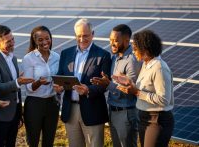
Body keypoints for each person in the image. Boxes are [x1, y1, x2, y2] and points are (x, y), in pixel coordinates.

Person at [54, 18, 111, 147]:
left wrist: (88, 90)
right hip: (71, 110)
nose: (82, 39)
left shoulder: (103, 55)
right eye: (78, 36)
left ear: (93, 34)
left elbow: (104, 85)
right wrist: (59, 87)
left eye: (85, 35)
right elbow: (60, 76)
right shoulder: (66, 53)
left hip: (93, 110)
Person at [114, 30, 174, 147]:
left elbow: (163, 99)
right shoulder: (146, 64)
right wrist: (129, 82)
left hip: (157, 119)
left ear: (145, 49)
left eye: (135, 48)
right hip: (144, 117)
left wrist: (136, 92)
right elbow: (146, 89)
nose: (133, 51)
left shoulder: (159, 68)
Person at [91, 24, 141, 147]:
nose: (112, 43)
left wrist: (108, 85)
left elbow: (130, 92)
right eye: (110, 40)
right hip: (113, 111)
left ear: (126, 40)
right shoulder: (115, 58)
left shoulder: (131, 61)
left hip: (125, 113)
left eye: (116, 41)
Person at [0, 25, 35, 147]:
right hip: (0, 115)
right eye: (8, 41)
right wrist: (18, 82)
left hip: (14, 113)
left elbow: (14, 87)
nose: (13, 43)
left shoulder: (13, 58)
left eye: (13, 39)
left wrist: (19, 112)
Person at [21, 25, 60, 147]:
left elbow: (59, 79)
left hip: (52, 103)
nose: (45, 42)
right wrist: (39, 82)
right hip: (34, 104)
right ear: (35, 41)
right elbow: (29, 88)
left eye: (47, 38)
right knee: (33, 141)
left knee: (49, 141)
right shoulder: (29, 58)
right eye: (40, 40)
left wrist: (60, 87)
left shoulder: (56, 57)